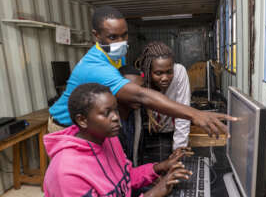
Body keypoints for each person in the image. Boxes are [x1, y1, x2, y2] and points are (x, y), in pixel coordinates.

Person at [48, 5, 236, 137]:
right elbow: (140, 96)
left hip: (89, 123)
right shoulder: (96, 67)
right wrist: (195, 114)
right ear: (96, 35)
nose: (120, 42)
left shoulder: (114, 54)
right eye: (113, 37)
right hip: (65, 125)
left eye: (124, 35)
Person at [43, 83, 192, 197]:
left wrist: (160, 167)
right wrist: (152, 194)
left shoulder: (108, 139)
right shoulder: (66, 173)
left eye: (115, 109)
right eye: (107, 113)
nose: (116, 117)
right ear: (82, 120)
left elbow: (125, 179)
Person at [136, 41, 191, 162]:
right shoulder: (140, 78)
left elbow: (183, 114)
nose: (165, 78)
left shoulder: (179, 72)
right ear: (149, 71)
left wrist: (179, 148)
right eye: (158, 73)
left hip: (170, 132)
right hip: (146, 134)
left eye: (169, 72)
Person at [118, 65, 144, 165]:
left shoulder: (140, 114)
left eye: (140, 89)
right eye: (131, 89)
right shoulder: (106, 121)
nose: (138, 96)